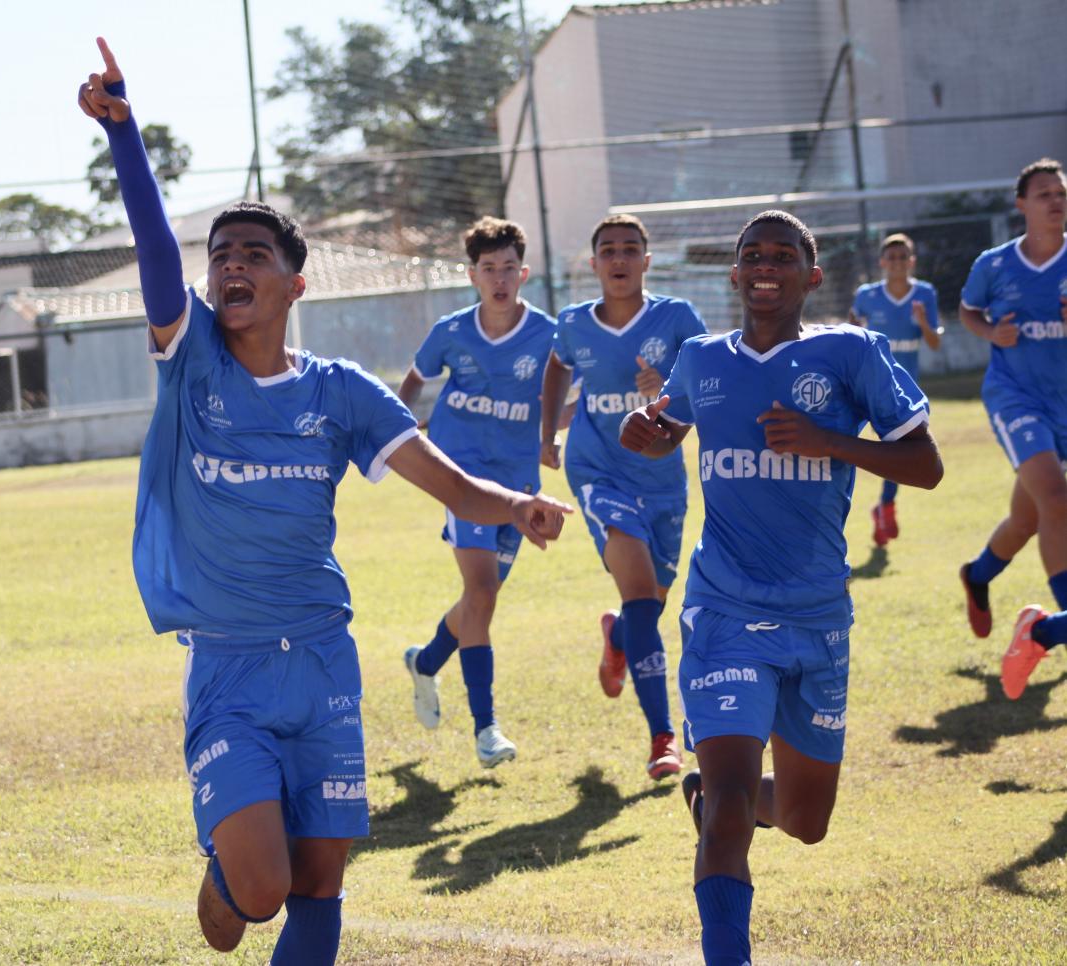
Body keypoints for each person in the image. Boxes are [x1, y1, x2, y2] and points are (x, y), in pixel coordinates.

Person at [79, 36, 570, 964]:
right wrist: (124, 133)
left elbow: (442, 475)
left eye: (253, 254)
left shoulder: (339, 390)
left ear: (293, 283)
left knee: (322, 877)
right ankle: (225, 864)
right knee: (254, 896)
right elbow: (151, 249)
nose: (231, 264)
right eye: (221, 252)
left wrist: (517, 506)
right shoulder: (189, 363)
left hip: (323, 658)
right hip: (227, 666)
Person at [619, 210, 941, 965]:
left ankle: (711, 795)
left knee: (804, 819)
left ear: (812, 274)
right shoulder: (699, 359)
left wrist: (828, 440)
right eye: (751, 255)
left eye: (784, 254)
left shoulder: (852, 353)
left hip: (819, 616)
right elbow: (678, 426)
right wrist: (653, 433)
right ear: (733, 275)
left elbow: (925, 465)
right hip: (724, 608)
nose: (766, 264)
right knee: (732, 799)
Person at [540, 213, 707, 780]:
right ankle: (663, 737)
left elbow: (709, 384)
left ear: (646, 260)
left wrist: (665, 388)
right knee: (641, 597)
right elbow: (556, 369)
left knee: (650, 605)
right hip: (597, 469)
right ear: (593, 264)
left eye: (629, 249)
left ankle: (617, 636)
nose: (618, 258)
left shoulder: (677, 318)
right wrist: (548, 437)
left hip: (661, 476)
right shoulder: (573, 324)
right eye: (607, 250)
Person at [395, 216, 555, 768]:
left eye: (509, 266)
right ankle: (487, 730)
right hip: (462, 480)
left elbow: (567, 396)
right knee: (482, 591)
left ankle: (426, 661)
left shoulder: (548, 336)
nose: (500, 277)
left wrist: (552, 434)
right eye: (489, 268)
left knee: (479, 601)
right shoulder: (452, 330)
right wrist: (405, 424)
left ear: (524, 272)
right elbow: (415, 379)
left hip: (517, 483)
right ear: (472, 275)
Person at [955, 158, 1067, 696]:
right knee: (1056, 497)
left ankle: (978, 575)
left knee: (1028, 518)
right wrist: (989, 334)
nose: (1055, 200)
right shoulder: (995, 264)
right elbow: (967, 311)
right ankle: (1047, 629)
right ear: (1021, 204)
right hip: (1015, 396)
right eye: (1043, 193)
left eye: (1060, 192)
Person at [848, 233, 942, 546]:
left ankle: (885, 506)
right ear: (882, 262)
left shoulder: (924, 294)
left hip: (904, 390)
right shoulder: (867, 295)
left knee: (900, 448)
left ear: (912, 262)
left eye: (904, 257)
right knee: (850, 445)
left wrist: (923, 322)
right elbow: (854, 334)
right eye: (892, 257)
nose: (898, 262)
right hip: (866, 385)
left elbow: (934, 343)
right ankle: (875, 508)